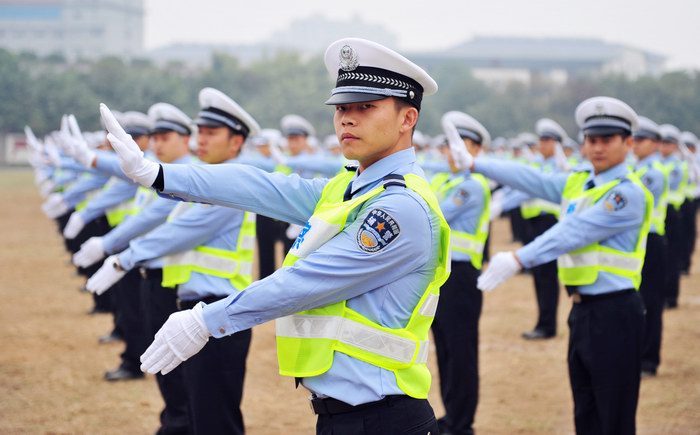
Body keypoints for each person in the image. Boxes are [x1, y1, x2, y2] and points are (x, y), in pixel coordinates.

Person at [99, 37, 449, 435]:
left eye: (365, 107)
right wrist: (158, 173)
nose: (347, 119)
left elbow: (305, 282)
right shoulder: (352, 188)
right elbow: (261, 186)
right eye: (342, 108)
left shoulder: (399, 207)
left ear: (407, 119)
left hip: (385, 419)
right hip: (349, 416)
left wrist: (206, 320)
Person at [87, 88, 260, 434]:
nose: (202, 140)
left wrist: (122, 258)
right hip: (197, 310)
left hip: (219, 315)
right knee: (197, 411)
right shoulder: (207, 180)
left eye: (212, 133)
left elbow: (180, 231)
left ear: (236, 142)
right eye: (201, 132)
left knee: (215, 420)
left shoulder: (230, 188)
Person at [474, 96, 651, 435]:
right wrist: (475, 163)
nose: (597, 148)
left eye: (607, 140)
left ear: (628, 143)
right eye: (591, 140)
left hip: (615, 313)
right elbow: (529, 178)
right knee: (586, 411)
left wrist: (518, 257)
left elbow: (574, 231)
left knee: (613, 416)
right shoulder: (581, 183)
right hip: (582, 310)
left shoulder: (626, 194)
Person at [430, 111, 491, 435]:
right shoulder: (445, 181)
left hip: (463, 277)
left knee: (461, 351)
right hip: (443, 275)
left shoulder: (473, 185)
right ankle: (451, 415)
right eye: (449, 146)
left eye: (462, 145)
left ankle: (462, 422)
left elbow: (433, 213)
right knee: (445, 349)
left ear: (476, 151)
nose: (452, 152)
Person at [517, 118, 569, 340]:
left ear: (557, 144)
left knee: (547, 275)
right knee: (538, 275)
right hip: (533, 222)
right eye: (541, 140)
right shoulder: (537, 164)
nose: (542, 144)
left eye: (547, 140)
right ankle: (542, 321)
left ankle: (548, 325)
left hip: (549, 221)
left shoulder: (561, 167)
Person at [631, 116, 668, 377]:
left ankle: (649, 359)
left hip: (653, 240)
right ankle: (637, 354)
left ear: (655, 143)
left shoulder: (653, 173)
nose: (636, 145)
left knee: (651, 301)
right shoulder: (637, 168)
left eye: (642, 140)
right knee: (637, 299)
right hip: (639, 240)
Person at [658, 124, 685, 308]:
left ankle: (671, 297)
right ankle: (663, 294)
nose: (664, 147)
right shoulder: (659, 164)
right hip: (661, 213)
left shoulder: (676, 166)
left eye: (668, 143)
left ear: (675, 146)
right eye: (662, 142)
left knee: (672, 256)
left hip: (674, 212)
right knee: (662, 257)